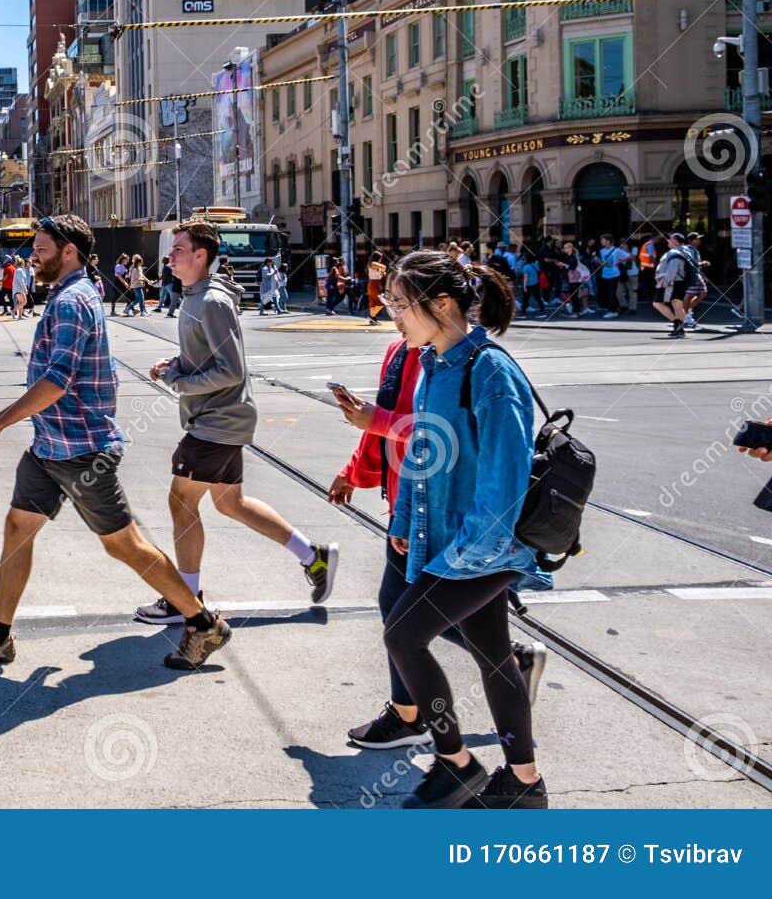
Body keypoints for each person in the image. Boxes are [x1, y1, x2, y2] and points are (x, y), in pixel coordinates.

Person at [0, 214, 231, 671]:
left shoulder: (73, 301)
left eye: (40, 249)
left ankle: (202, 623)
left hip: (81, 449)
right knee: (19, 528)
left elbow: (58, 380)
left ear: (69, 251)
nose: (33, 256)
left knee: (124, 544)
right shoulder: (66, 295)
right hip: (50, 444)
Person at [374, 250, 550, 808]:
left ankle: (457, 763)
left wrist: (470, 554)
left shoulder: (489, 369)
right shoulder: (432, 364)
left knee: (403, 635)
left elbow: (506, 476)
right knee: (494, 656)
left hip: (482, 548)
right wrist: (404, 520)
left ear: (441, 304)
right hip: (442, 538)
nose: (392, 315)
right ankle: (524, 781)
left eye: (400, 305)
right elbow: (424, 454)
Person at [330, 331, 548, 752]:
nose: (394, 310)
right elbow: (404, 434)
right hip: (413, 506)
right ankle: (506, 769)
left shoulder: (469, 364)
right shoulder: (408, 353)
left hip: (452, 521)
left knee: (403, 625)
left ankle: (442, 748)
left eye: (402, 300)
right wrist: (358, 469)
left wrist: (480, 546)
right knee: (415, 618)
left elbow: (440, 439)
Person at [135, 220, 338, 625]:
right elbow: (209, 357)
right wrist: (176, 364)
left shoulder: (211, 301)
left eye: (178, 249)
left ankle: (186, 599)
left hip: (217, 419)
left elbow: (232, 369)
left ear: (200, 255)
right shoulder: (196, 297)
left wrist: (178, 379)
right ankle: (312, 557)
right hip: (219, 417)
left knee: (181, 501)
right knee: (231, 503)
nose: (170, 255)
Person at [652, 232, 696, 338]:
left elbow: (672, 269)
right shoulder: (684, 251)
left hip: (672, 282)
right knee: (677, 305)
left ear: (675, 240)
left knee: (658, 303)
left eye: (670, 239)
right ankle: (679, 328)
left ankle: (677, 324)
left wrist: (665, 282)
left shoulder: (675, 253)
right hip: (678, 282)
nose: (668, 240)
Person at [366, 251, 387, 325]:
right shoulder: (373, 263)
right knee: (380, 303)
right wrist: (382, 272)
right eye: (380, 258)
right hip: (374, 284)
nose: (381, 260)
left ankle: (373, 320)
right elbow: (384, 267)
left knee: (373, 303)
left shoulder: (373, 265)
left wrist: (382, 272)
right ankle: (371, 316)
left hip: (374, 284)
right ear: (377, 258)